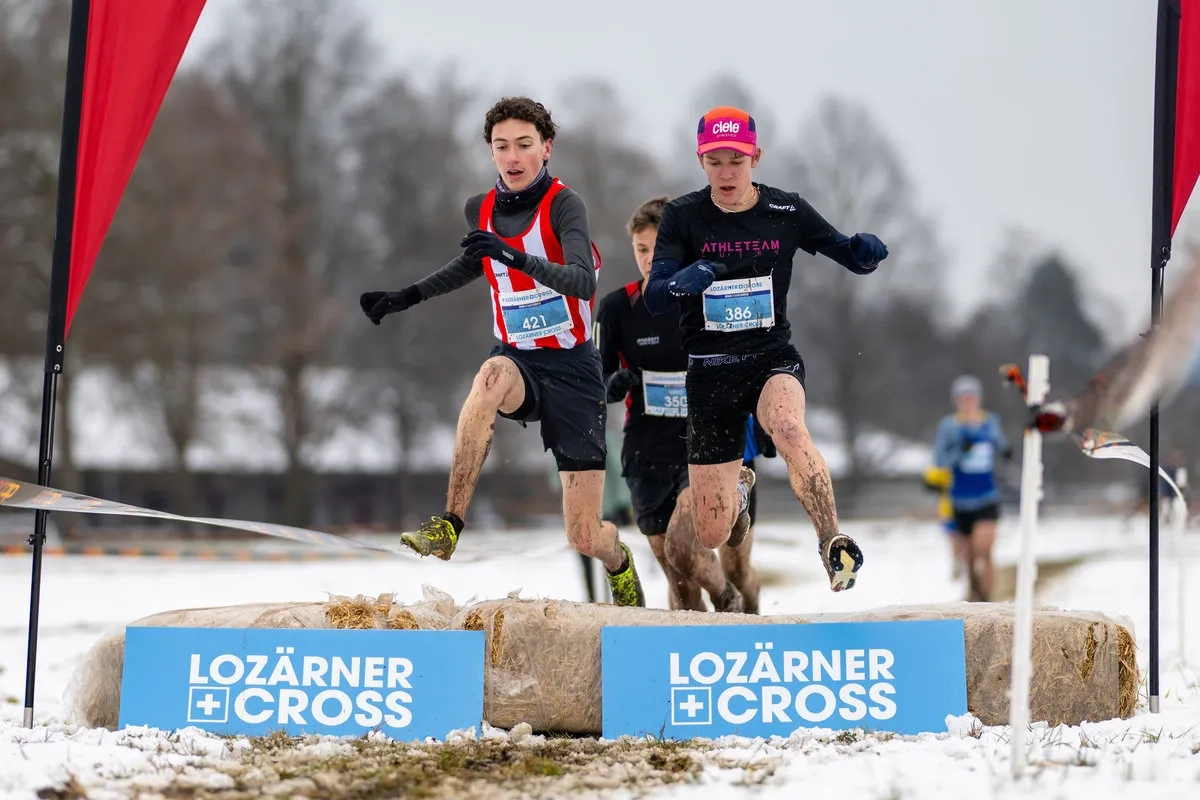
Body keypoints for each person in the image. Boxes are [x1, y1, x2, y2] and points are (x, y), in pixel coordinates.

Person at [359, 96, 645, 607]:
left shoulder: (564, 205)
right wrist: (406, 296)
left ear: (546, 148)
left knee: (582, 535)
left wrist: (512, 254)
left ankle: (619, 560)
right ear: (490, 152)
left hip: (575, 370)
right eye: (501, 147)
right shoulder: (480, 210)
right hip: (519, 361)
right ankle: (449, 524)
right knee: (489, 377)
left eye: (524, 145)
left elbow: (581, 282)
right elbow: (472, 265)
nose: (513, 157)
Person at [643, 105, 889, 592]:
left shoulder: (786, 210)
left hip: (770, 360)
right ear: (701, 161)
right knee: (713, 533)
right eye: (715, 161)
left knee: (789, 427)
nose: (726, 172)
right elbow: (654, 295)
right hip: (709, 373)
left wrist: (862, 254)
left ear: (756, 156)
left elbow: (842, 248)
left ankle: (831, 541)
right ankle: (738, 488)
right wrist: (680, 284)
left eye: (736, 160)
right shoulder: (683, 216)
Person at [595, 195, 749, 612]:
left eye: (657, 249)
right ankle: (696, 651)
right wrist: (615, 383)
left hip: (702, 445)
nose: (649, 259)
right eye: (641, 250)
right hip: (645, 449)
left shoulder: (706, 301)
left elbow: (742, 363)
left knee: (684, 548)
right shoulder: (616, 309)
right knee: (677, 577)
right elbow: (596, 382)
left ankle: (729, 601)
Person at [932, 375, 1011, 602]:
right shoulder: (949, 426)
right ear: (956, 401)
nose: (967, 402)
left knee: (983, 547)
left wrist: (1005, 451)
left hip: (986, 496)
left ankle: (987, 599)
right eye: (962, 398)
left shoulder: (990, 422)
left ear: (978, 399)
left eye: (971, 397)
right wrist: (961, 452)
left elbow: (1000, 446)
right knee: (968, 555)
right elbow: (939, 460)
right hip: (960, 499)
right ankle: (975, 595)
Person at [922, 465, 965, 579]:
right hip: (949, 511)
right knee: (956, 540)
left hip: (961, 509)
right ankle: (958, 565)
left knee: (962, 541)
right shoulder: (945, 467)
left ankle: (961, 565)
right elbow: (929, 479)